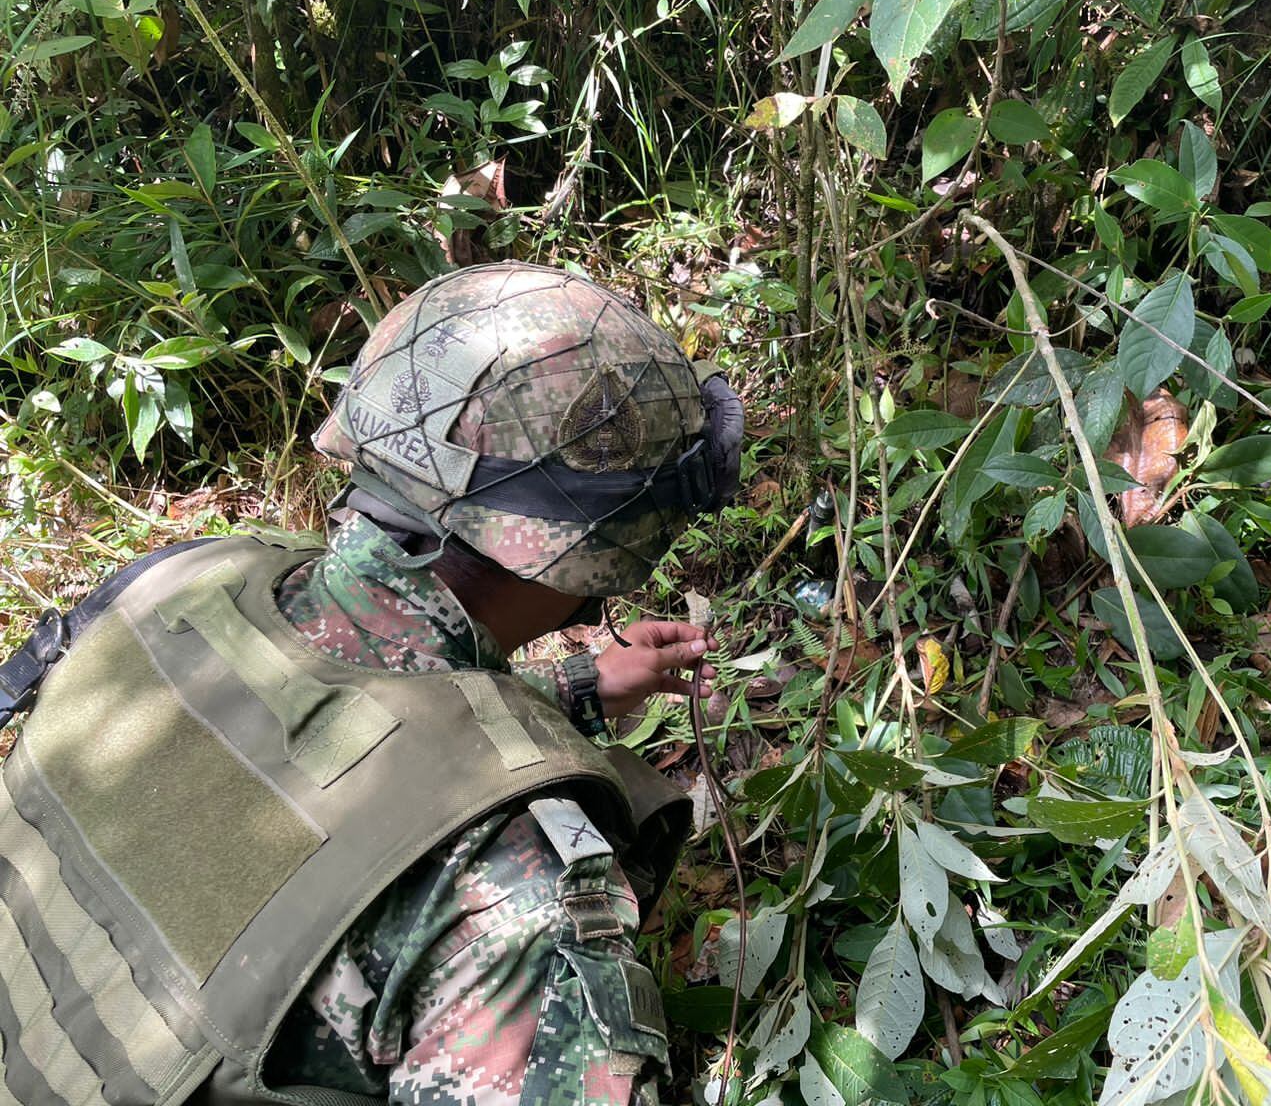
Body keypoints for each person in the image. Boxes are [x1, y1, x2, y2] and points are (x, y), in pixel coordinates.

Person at [0, 261, 743, 1105]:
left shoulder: (180, 588)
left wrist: (572, 691)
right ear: (593, 551)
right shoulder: (510, 902)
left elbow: (306, 733)